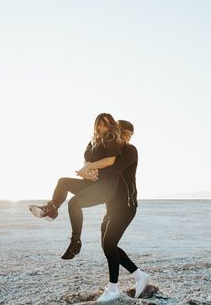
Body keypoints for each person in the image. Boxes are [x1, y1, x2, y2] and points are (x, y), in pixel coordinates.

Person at [29, 113, 123, 259]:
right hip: (92, 182)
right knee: (63, 182)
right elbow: (87, 161)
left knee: (74, 203)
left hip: (106, 186)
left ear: (110, 125)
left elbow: (110, 160)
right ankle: (51, 209)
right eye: (99, 124)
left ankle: (75, 242)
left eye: (105, 124)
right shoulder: (93, 142)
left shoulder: (110, 139)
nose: (101, 127)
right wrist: (86, 172)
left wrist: (90, 167)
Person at [79, 120, 150, 303]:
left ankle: (112, 289)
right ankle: (139, 275)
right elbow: (93, 158)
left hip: (126, 205)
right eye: (121, 133)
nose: (123, 137)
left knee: (110, 244)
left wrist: (91, 169)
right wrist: (89, 166)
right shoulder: (109, 149)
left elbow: (113, 170)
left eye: (127, 135)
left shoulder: (129, 150)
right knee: (107, 245)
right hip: (111, 205)